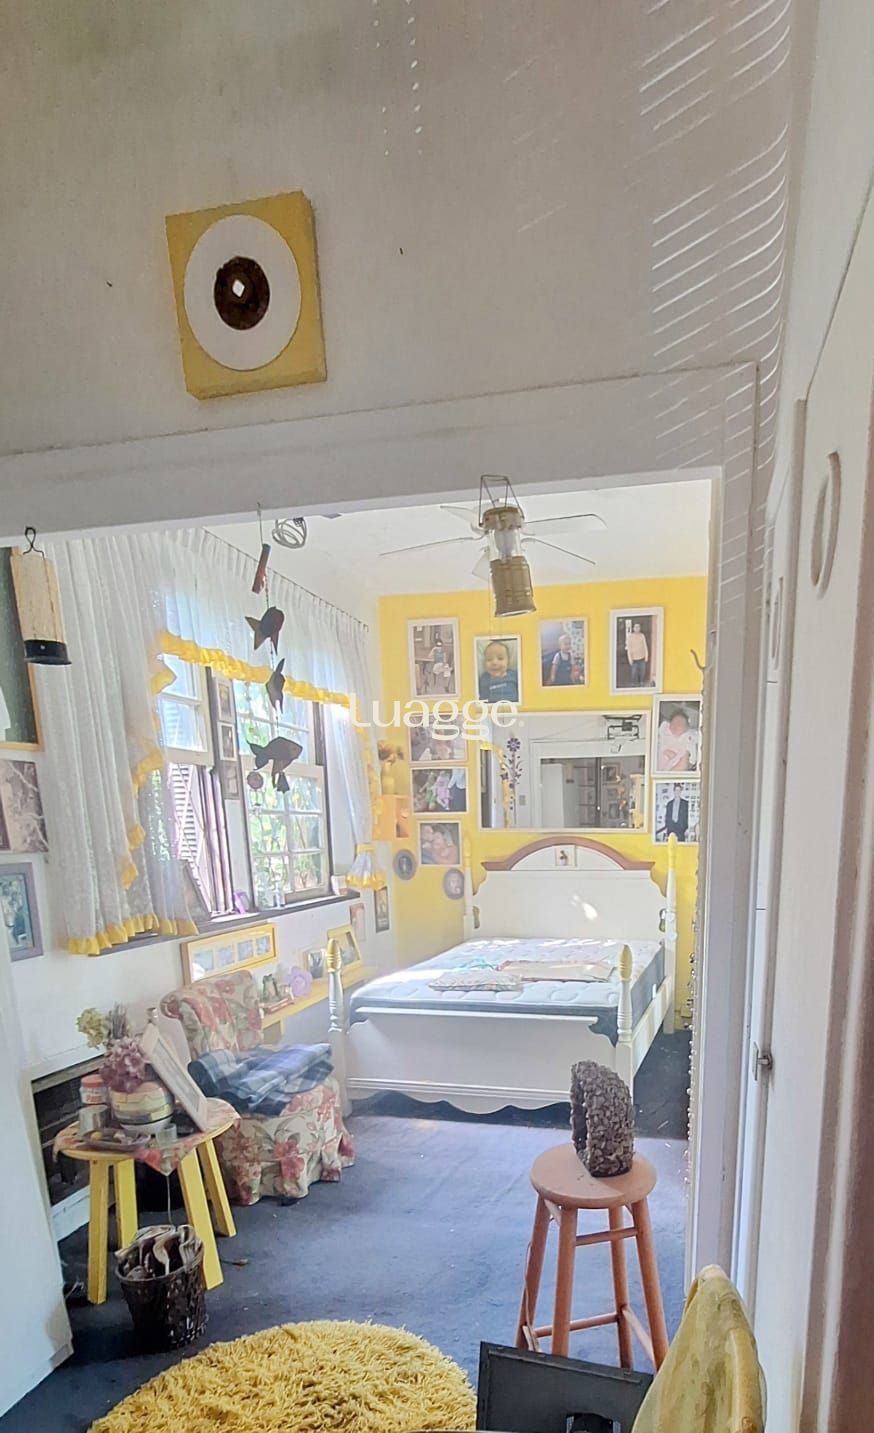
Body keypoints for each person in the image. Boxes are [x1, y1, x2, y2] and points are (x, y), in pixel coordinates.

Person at [657, 707, 699, 772]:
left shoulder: (688, 737)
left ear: (687, 728)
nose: (676, 725)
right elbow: (660, 743)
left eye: (680, 724)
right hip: (662, 760)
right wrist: (665, 750)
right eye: (673, 723)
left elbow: (691, 752)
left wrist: (675, 757)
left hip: (676, 761)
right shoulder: (666, 732)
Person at [624, 621, 649, 686]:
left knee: (642, 671)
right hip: (634, 658)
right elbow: (629, 648)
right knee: (634, 672)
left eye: (638, 627)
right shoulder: (630, 637)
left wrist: (646, 656)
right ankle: (634, 683)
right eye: (636, 627)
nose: (637, 628)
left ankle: (641, 682)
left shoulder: (642, 636)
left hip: (642, 657)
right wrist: (630, 658)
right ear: (633, 628)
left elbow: (645, 645)